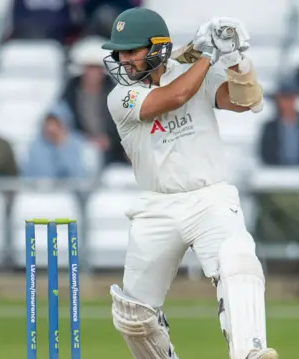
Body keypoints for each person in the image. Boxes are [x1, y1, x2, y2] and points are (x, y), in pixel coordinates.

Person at [101, 8, 277, 359]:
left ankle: (250, 352)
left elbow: (246, 101)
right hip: (156, 206)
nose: (123, 60)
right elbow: (174, 97)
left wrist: (236, 59)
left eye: (132, 50)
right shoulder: (120, 97)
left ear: (157, 48)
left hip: (209, 199)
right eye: (119, 52)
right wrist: (208, 55)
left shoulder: (193, 71)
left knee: (237, 257)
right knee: (133, 315)